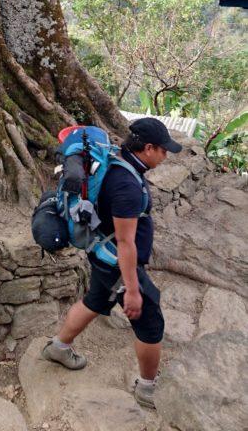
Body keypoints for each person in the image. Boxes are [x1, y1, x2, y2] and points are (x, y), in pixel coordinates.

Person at [42, 117, 182, 410]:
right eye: (163, 150)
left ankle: (59, 348)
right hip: (118, 263)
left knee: (95, 300)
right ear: (148, 148)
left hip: (102, 255)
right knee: (150, 322)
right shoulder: (127, 185)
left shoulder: (119, 162)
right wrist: (132, 290)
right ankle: (147, 388)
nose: (166, 155)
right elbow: (125, 241)